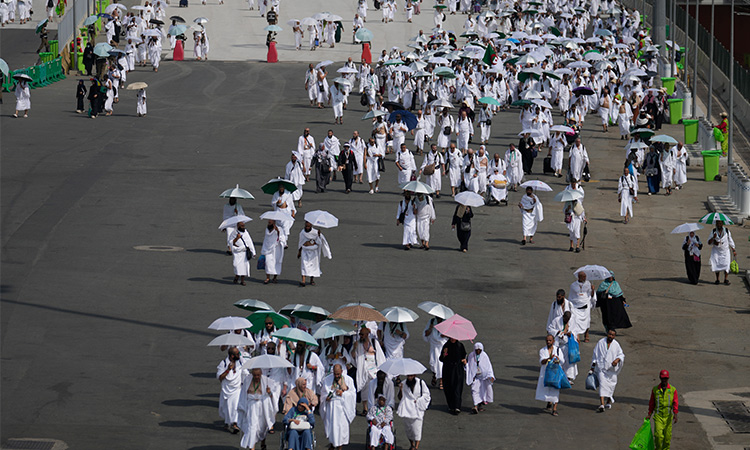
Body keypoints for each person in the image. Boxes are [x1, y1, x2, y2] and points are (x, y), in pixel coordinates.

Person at [319, 364, 356, 450]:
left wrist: (343, 393)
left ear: (342, 372)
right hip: (331, 407)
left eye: (338, 374)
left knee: (341, 429)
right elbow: (323, 394)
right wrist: (326, 398)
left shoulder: (348, 380)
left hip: (343, 407)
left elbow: (353, 394)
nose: (336, 376)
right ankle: (332, 445)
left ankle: (340, 447)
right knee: (332, 428)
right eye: (335, 374)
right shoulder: (327, 379)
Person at [238, 368, 276, 450]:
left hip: (262, 406)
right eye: (254, 375)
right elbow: (243, 394)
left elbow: (273, 397)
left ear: (261, 374)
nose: (256, 377)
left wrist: (269, 392)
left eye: (258, 375)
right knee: (252, 426)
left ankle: (263, 442)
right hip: (251, 407)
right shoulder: (247, 381)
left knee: (262, 427)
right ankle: (252, 447)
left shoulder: (266, 381)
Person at [352, 326, 386, 414]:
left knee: (375, 388)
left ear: (367, 334)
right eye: (360, 334)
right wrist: (354, 348)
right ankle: (365, 408)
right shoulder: (358, 344)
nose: (361, 336)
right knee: (364, 389)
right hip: (364, 368)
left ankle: (374, 407)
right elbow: (353, 357)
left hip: (373, 368)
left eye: (362, 334)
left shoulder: (374, 343)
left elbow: (380, 356)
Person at [590, 329, 625, 412]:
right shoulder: (601, 342)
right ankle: (602, 404)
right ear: (607, 334)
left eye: (612, 335)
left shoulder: (616, 344)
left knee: (611, 386)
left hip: (612, 370)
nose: (610, 336)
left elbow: (621, 355)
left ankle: (608, 401)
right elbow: (595, 354)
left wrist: (617, 360)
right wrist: (592, 366)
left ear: (614, 336)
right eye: (609, 334)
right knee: (602, 385)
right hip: (601, 368)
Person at [397, 374, 431, 450]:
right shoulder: (403, 383)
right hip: (407, 409)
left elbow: (427, 395)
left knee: (417, 429)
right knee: (408, 429)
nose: (409, 378)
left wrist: (419, 401)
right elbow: (399, 397)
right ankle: (412, 444)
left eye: (411, 376)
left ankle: (416, 446)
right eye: (408, 376)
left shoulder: (421, 382)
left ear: (414, 375)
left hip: (417, 409)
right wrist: (401, 389)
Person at [647, 370, 678, 450]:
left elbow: (675, 402)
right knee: (658, 436)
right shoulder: (655, 390)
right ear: (660, 378)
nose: (664, 380)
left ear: (668, 379)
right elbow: (652, 403)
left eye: (666, 378)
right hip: (658, 417)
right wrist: (649, 414)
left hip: (668, 418)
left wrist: (675, 414)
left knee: (667, 439)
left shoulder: (672, 390)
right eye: (663, 378)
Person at [217, 347, 246, 434]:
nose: (239, 355)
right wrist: (228, 370)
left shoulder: (240, 362)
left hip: (237, 388)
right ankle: (227, 422)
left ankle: (234, 423)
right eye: (237, 354)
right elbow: (220, 377)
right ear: (232, 356)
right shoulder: (223, 363)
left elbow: (245, 373)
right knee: (226, 407)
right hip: (226, 389)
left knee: (234, 406)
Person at [535, 334, 565, 416]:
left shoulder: (558, 350)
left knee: (555, 389)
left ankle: (554, 409)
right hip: (546, 374)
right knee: (547, 389)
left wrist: (557, 359)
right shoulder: (542, 350)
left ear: (553, 341)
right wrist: (549, 359)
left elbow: (562, 361)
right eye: (547, 340)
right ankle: (549, 401)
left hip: (555, 374)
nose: (548, 342)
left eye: (550, 340)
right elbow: (542, 361)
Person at [297, 221, 331, 287]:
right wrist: (299, 252)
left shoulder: (315, 232)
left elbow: (320, 242)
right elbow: (300, 243)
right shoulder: (302, 233)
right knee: (304, 265)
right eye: (306, 226)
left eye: (308, 226)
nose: (307, 227)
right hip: (305, 251)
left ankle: (311, 280)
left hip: (313, 252)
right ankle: (303, 280)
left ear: (311, 226)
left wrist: (318, 235)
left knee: (313, 266)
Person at [465, 342, 494, 414]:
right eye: (476, 350)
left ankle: (480, 405)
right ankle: (475, 406)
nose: (478, 352)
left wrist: (491, 375)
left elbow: (488, 366)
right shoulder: (471, 355)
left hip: (484, 377)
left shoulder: (484, 356)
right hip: (475, 377)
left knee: (483, 391)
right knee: (474, 390)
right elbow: (469, 366)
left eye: (479, 350)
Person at [439, 337, 466, 415]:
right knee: (448, 387)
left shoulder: (460, 346)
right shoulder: (446, 346)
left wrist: (463, 360)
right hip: (448, 369)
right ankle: (451, 406)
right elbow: (441, 358)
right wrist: (444, 354)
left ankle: (457, 406)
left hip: (457, 369)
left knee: (457, 387)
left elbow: (463, 356)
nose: (453, 339)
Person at [707, 220, 736, 285]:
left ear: (722, 223)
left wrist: (733, 250)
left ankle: (725, 279)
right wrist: (713, 239)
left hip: (725, 251)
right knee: (716, 264)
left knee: (726, 265)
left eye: (720, 223)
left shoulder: (727, 231)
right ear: (716, 224)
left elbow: (730, 240)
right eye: (718, 223)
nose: (719, 224)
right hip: (716, 251)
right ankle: (717, 279)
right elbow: (709, 242)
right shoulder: (713, 231)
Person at [569, 271, 594, 343]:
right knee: (576, 321)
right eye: (583, 276)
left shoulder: (588, 284)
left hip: (586, 305)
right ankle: (577, 335)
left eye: (585, 276)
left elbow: (591, 295)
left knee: (587, 321)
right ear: (579, 277)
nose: (585, 278)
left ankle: (586, 334)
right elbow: (571, 296)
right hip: (576, 306)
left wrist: (592, 289)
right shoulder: (573, 285)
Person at [261, 219, 286, 284]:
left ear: (274, 221)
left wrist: (278, 231)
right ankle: (267, 277)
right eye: (268, 221)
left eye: (270, 221)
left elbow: (282, 237)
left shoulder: (279, 228)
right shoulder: (267, 229)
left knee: (276, 263)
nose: (269, 222)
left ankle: (275, 277)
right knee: (268, 263)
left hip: (276, 249)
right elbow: (267, 237)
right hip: (268, 248)